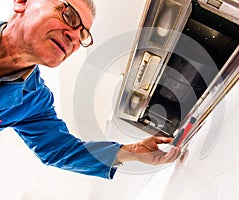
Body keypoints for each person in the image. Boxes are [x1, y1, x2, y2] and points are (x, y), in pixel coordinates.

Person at [0, 0, 181, 179]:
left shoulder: (34, 101)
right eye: (68, 15)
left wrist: (131, 151)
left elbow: (60, 149)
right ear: (22, 2)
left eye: (83, 35)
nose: (75, 39)